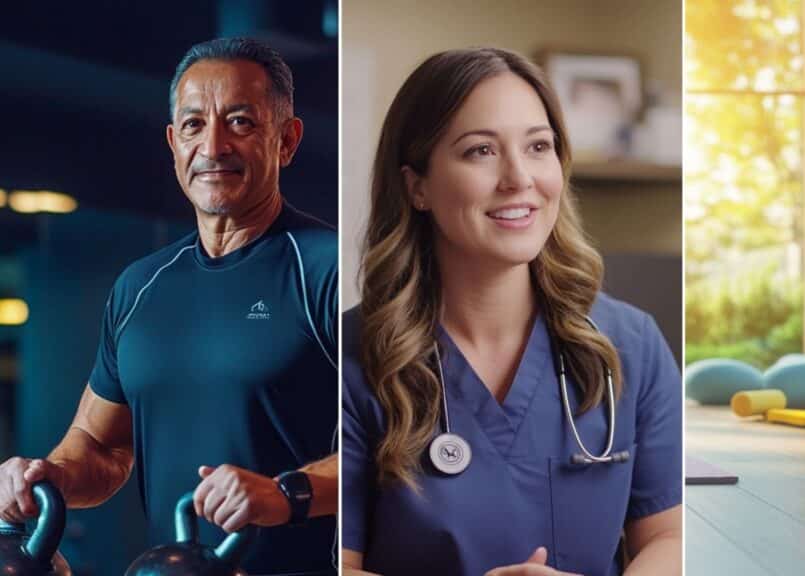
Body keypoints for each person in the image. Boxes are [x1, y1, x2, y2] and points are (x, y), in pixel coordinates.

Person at [0, 38, 338, 574]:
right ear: (173, 142)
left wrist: (286, 494)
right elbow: (98, 445)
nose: (213, 146)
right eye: (193, 125)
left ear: (287, 141)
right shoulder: (140, 287)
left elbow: (401, 449)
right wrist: (50, 476)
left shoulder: (330, 270)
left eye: (241, 122)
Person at [342, 47, 682, 576]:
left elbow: (669, 535)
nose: (519, 178)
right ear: (418, 187)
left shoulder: (630, 344)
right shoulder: (350, 357)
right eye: (480, 151)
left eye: (538, 146)